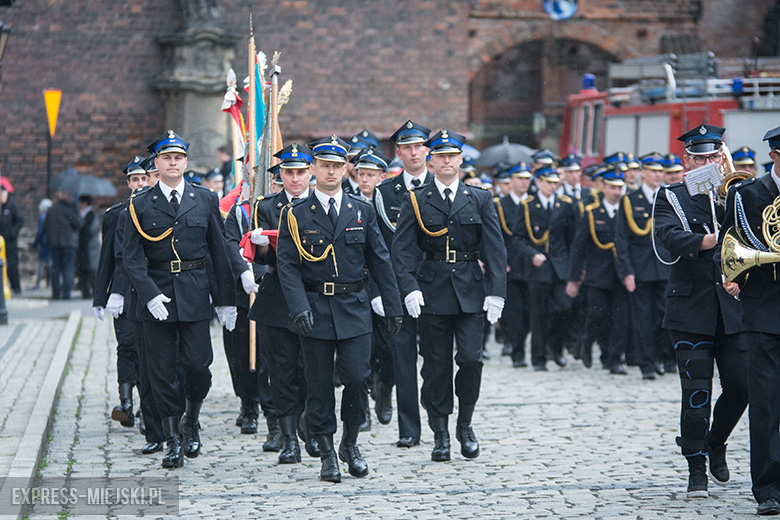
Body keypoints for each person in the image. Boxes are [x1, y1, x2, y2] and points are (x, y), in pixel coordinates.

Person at [276, 135, 403, 482]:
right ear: (314, 168)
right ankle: (327, 452)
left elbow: (379, 260)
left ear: (346, 168)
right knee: (318, 385)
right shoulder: (296, 214)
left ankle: (351, 443)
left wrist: (393, 306)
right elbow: (287, 266)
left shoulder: (361, 211)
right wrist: (298, 306)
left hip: (354, 306)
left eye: (337, 165)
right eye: (324, 165)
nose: (331, 171)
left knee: (357, 378)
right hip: (315, 307)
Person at [122, 130, 237, 469]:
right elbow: (131, 257)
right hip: (156, 296)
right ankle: (173, 439)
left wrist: (225, 299)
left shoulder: (204, 199)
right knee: (161, 371)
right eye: (166, 158)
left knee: (198, 367)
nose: (173, 163)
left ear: (186, 162)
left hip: (194, 293)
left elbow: (218, 251)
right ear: (156, 164)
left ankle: (192, 419)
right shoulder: (140, 203)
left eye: (178, 158)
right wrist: (149, 294)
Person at [392, 130, 507, 462]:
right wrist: (409, 288)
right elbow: (401, 252)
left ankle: (466, 424)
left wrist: (496, 292)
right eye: (439, 156)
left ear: (460, 159)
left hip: (471, 290)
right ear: (431, 160)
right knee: (436, 366)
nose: (446, 161)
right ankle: (440, 433)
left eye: (451, 156)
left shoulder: (480, 198)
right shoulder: (416, 199)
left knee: (471, 360)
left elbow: (495, 249)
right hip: (431, 291)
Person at [654, 123, 748, 498]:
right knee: (696, 394)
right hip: (690, 307)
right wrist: (709, 240)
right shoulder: (672, 195)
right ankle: (695, 466)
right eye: (701, 157)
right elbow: (669, 237)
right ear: (687, 160)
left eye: (714, 156)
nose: (708, 162)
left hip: (733, 306)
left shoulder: (738, 193)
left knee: (742, 386)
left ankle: (716, 441)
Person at [716, 125, 780, 515]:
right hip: (765, 308)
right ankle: (769, 489)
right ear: (775, 155)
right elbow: (730, 243)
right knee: (767, 402)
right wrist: (731, 277)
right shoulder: (748, 195)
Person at [249, 144, 315, 465]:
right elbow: (265, 257)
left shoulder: (321, 205)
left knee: (311, 368)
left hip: (313, 293)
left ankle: (309, 423)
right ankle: (289, 438)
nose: (295, 179)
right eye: (288, 173)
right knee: (281, 368)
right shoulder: (267, 205)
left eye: (301, 172)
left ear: (310, 173)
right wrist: (261, 248)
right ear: (280, 175)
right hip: (277, 294)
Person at [371, 119, 433, 449]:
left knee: (436, 360)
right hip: (397, 286)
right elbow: (378, 247)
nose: (414, 153)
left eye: (419, 146)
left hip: (438, 284)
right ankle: (409, 428)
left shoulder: (443, 186)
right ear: (398, 152)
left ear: (428, 151)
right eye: (407, 147)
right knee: (403, 358)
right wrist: (380, 290)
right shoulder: (384, 193)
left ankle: (439, 420)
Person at [92, 156, 148, 436]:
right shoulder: (115, 214)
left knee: (150, 350)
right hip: (122, 293)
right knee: (126, 346)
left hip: (153, 291)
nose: (139, 184)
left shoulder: (156, 211)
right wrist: (100, 297)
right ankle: (126, 403)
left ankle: (149, 407)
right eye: (134, 180)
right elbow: (108, 260)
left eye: (143, 179)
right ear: (128, 183)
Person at [221, 177, 277, 445]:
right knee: (241, 352)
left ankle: (272, 411)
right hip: (242, 291)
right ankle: (248, 403)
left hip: (271, 289)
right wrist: (244, 271)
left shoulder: (279, 208)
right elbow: (230, 244)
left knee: (270, 354)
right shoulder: (239, 211)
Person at [566, 166, 630, 375]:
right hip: (597, 273)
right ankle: (586, 342)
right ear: (603, 187)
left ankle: (613, 359)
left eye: (620, 187)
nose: (617, 192)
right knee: (597, 315)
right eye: (612, 187)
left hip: (621, 273)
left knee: (619, 320)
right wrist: (574, 277)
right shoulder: (592, 213)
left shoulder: (626, 212)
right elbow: (579, 247)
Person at [514, 164, 577, 371]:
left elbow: (572, 237)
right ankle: (539, 358)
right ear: (539, 182)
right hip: (538, 267)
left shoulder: (565, 204)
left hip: (560, 265)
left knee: (564, 307)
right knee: (538, 314)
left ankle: (555, 348)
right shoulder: (527, 205)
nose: (553, 186)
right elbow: (518, 238)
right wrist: (532, 254)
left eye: (555, 183)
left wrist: (573, 268)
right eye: (548, 183)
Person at [615, 152, 672, 379]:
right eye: (654, 171)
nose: (658, 175)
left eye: (661, 171)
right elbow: (621, 239)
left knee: (663, 317)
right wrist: (627, 271)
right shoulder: (630, 200)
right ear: (644, 173)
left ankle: (661, 357)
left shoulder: (668, 197)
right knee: (643, 319)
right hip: (640, 269)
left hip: (666, 266)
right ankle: (646, 364)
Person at [495, 161, 532, 367]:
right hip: (511, 265)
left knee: (529, 313)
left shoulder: (533, 203)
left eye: (527, 179)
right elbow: (498, 237)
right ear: (511, 180)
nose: (524, 183)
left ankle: (521, 342)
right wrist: (502, 262)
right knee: (514, 312)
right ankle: (517, 352)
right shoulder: (500, 205)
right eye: (520, 178)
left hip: (532, 265)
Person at [44, 189, 81, 300]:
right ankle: (66, 293)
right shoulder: (69, 209)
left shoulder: (51, 210)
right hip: (68, 243)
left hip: (55, 243)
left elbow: (46, 227)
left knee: (55, 268)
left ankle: (55, 293)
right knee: (68, 269)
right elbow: (78, 223)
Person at [0, 181, 24, 294]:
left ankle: (16, 288)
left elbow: (20, 221)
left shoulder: (12, 205)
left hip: (10, 241)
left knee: (12, 266)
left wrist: (12, 233)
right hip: (1, 241)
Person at [77, 195, 100, 298]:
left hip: (90, 246)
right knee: (83, 270)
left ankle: (95, 291)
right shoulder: (79, 214)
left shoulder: (92, 214)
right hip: (82, 247)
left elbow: (92, 230)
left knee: (92, 270)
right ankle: (85, 291)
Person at [31, 198, 52, 290]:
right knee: (51, 264)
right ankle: (53, 283)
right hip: (52, 242)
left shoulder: (42, 217)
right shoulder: (52, 216)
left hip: (44, 243)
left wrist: (35, 244)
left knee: (41, 264)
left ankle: (38, 284)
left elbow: (40, 232)